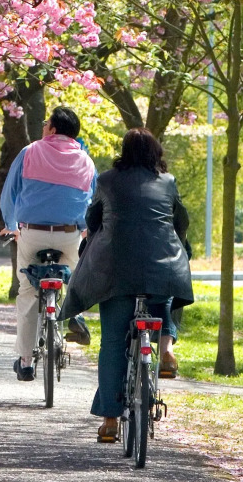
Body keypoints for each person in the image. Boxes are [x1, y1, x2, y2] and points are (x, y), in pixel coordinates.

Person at [61, 127, 193, 444]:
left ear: (124, 151)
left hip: (114, 273)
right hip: (161, 269)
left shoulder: (107, 181)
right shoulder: (168, 182)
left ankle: (109, 420)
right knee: (164, 298)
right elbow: (180, 222)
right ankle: (166, 350)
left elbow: (93, 220)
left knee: (111, 343)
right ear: (155, 152)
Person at [0, 105, 96, 381]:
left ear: (52, 129)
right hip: (69, 235)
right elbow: (91, 199)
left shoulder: (30, 152)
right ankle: (75, 313)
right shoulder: (86, 161)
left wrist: (11, 226)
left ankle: (26, 360)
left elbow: (9, 194)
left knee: (28, 292)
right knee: (74, 279)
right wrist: (85, 229)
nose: (43, 127)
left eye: (45, 123)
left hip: (33, 233)